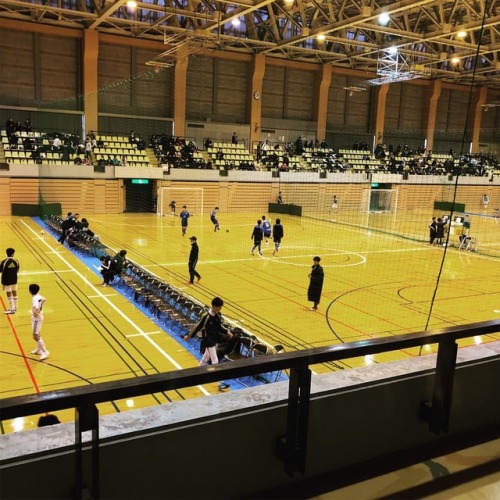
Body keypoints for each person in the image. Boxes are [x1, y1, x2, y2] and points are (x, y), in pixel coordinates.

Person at [183, 297, 233, 376]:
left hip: (215, 339)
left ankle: (198, 371)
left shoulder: (217, 315)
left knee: (206, 356)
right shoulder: (206, 317)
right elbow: (197, 326)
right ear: (215, 306)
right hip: (208, 340)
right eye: (219, 307)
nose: (220, 308)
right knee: (215, 360)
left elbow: (219, 326)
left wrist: (227, 332)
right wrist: (189, 335)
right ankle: (216, 379)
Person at [29, 283, 49, 360]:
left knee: (35, 336)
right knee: (38, 334)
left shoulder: (34, 299)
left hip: (36, 319)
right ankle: (39, 350)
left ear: (30, 291)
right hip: (40, 317)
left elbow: (36, 307)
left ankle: (45, 352)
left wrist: (36, 313)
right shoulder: (38, 296)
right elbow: (44, 300)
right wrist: (41, 308)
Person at [1, 248, 20, 314]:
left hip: (6, 280)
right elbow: (17, 270)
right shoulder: (16, 261)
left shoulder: (4, 261)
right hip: (14, 279)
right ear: (13, 254)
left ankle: (12, 309)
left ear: (6, 253)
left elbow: (0, 270)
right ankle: (15, 307)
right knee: (14, 292)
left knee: (8, 293)